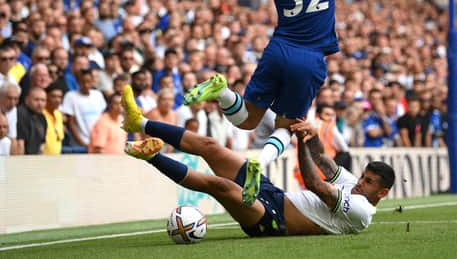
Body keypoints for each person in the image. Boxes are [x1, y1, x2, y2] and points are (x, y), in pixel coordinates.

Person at [182, 0, 368, 204]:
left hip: (278, 50)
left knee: (248, 119)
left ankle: (223, 92)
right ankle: (259, 161)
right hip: (309, 58)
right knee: (289, 126)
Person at [120, 84, 394, 236]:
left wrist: (299, 141)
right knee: (210, 146)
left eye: (368, 182)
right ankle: (140, 121)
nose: (359, 183)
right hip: (273, 194)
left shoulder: (361, 213)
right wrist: (312, 135)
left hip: (273, 222)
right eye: (362, 177)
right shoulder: (352, 185)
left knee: (220, 186)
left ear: (381, 193)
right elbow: (323, 159)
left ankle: (152, 156)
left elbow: (315, 183)